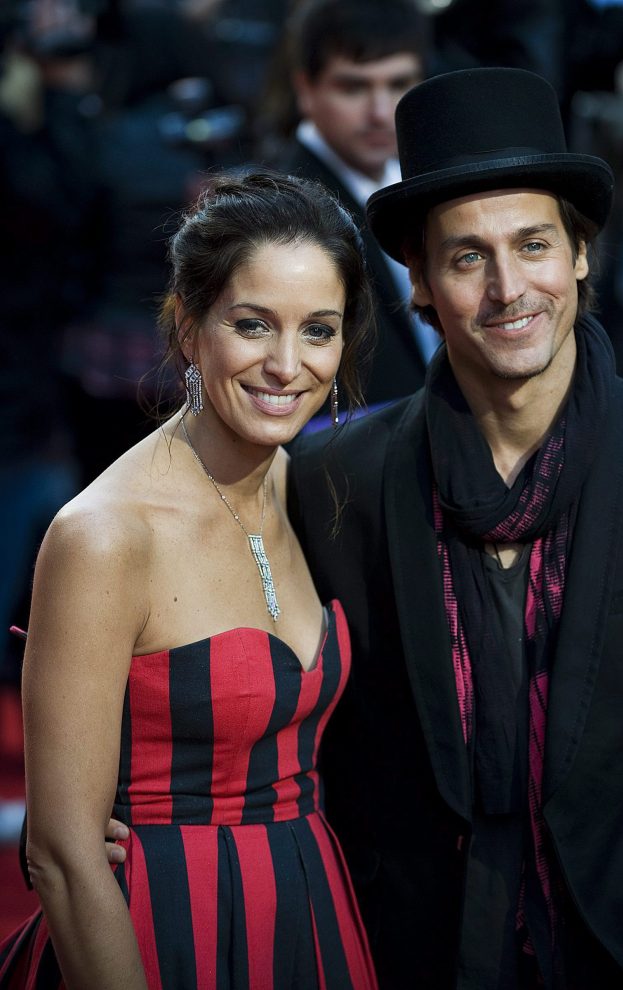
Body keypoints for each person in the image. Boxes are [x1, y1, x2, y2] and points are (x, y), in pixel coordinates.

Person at [284, 68, 623, 988]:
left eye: (533, 244)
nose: (509, 287)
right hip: (423, 953)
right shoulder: (336, 481)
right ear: (423, 285)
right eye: (468, 256)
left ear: (582, 254)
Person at [0, 170, 378, 989]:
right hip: (158, 931)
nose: (287, 365)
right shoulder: (104, 535)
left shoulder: (309, 484)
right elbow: (64, 857)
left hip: (308, 917)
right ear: (188, 326)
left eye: (319, 330)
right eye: (253, 324)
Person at [261, 0, 436, 411]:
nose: (379, 112)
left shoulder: (426, 176)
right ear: (305, 90)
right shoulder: (283, 208)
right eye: (353, 87)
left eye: (398, 84)